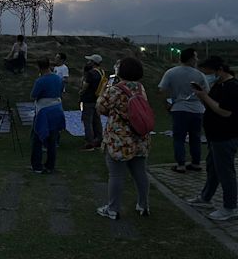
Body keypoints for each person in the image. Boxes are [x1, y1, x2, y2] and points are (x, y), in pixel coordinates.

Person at [96, 57, 151, 220]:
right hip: (140, 137)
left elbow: (101, 108)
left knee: (116, 175)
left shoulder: (115, 89)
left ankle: (112, 209)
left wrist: (105, 90)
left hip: (119, 139)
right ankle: (143, 205)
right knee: (141, 173)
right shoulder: (140, 88)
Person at [187, 57, 238, 221]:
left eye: (208, 73)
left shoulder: (232, 87)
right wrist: (202, 94)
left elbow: (225, 112)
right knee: (213, 169)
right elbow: (212, 103)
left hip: (225, 136)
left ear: (219, 70)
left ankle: (230, 207)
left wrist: (204, 96)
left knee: (225, 172)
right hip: (214, 136)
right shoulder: (219, 84)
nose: (207, 76)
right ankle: (205, 197)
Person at [158, 48, 209, 173]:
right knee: (195, 137)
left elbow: (162, 89)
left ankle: (181, 164)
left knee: (179, 138)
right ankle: (196, 163)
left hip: (179, 108)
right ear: (191, 59)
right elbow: (206, 91)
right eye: (196, 57)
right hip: (197, 110)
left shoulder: (171, 72)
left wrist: (166, 104)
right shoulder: (199, 75)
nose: (197, 60)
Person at [30, 58, 65, 174]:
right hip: (57, 109)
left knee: (38, 138)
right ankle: (50, 165)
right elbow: (60, 92)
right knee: (52, 139)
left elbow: (33, 96)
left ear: (39, 68)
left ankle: (37, 166)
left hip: (44, 111)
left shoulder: (40, 81)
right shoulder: (58, 78)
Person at [79, 54, 105, 151]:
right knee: (96, 120)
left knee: (87, 121)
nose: (88, 62)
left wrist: (81, 92)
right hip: (97, 98)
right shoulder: (101, 72)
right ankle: (98, 140)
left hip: (88, 99)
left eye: (90, 61)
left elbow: (85, 86)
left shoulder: (91, 73)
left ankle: (89, 143)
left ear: (93, 62)